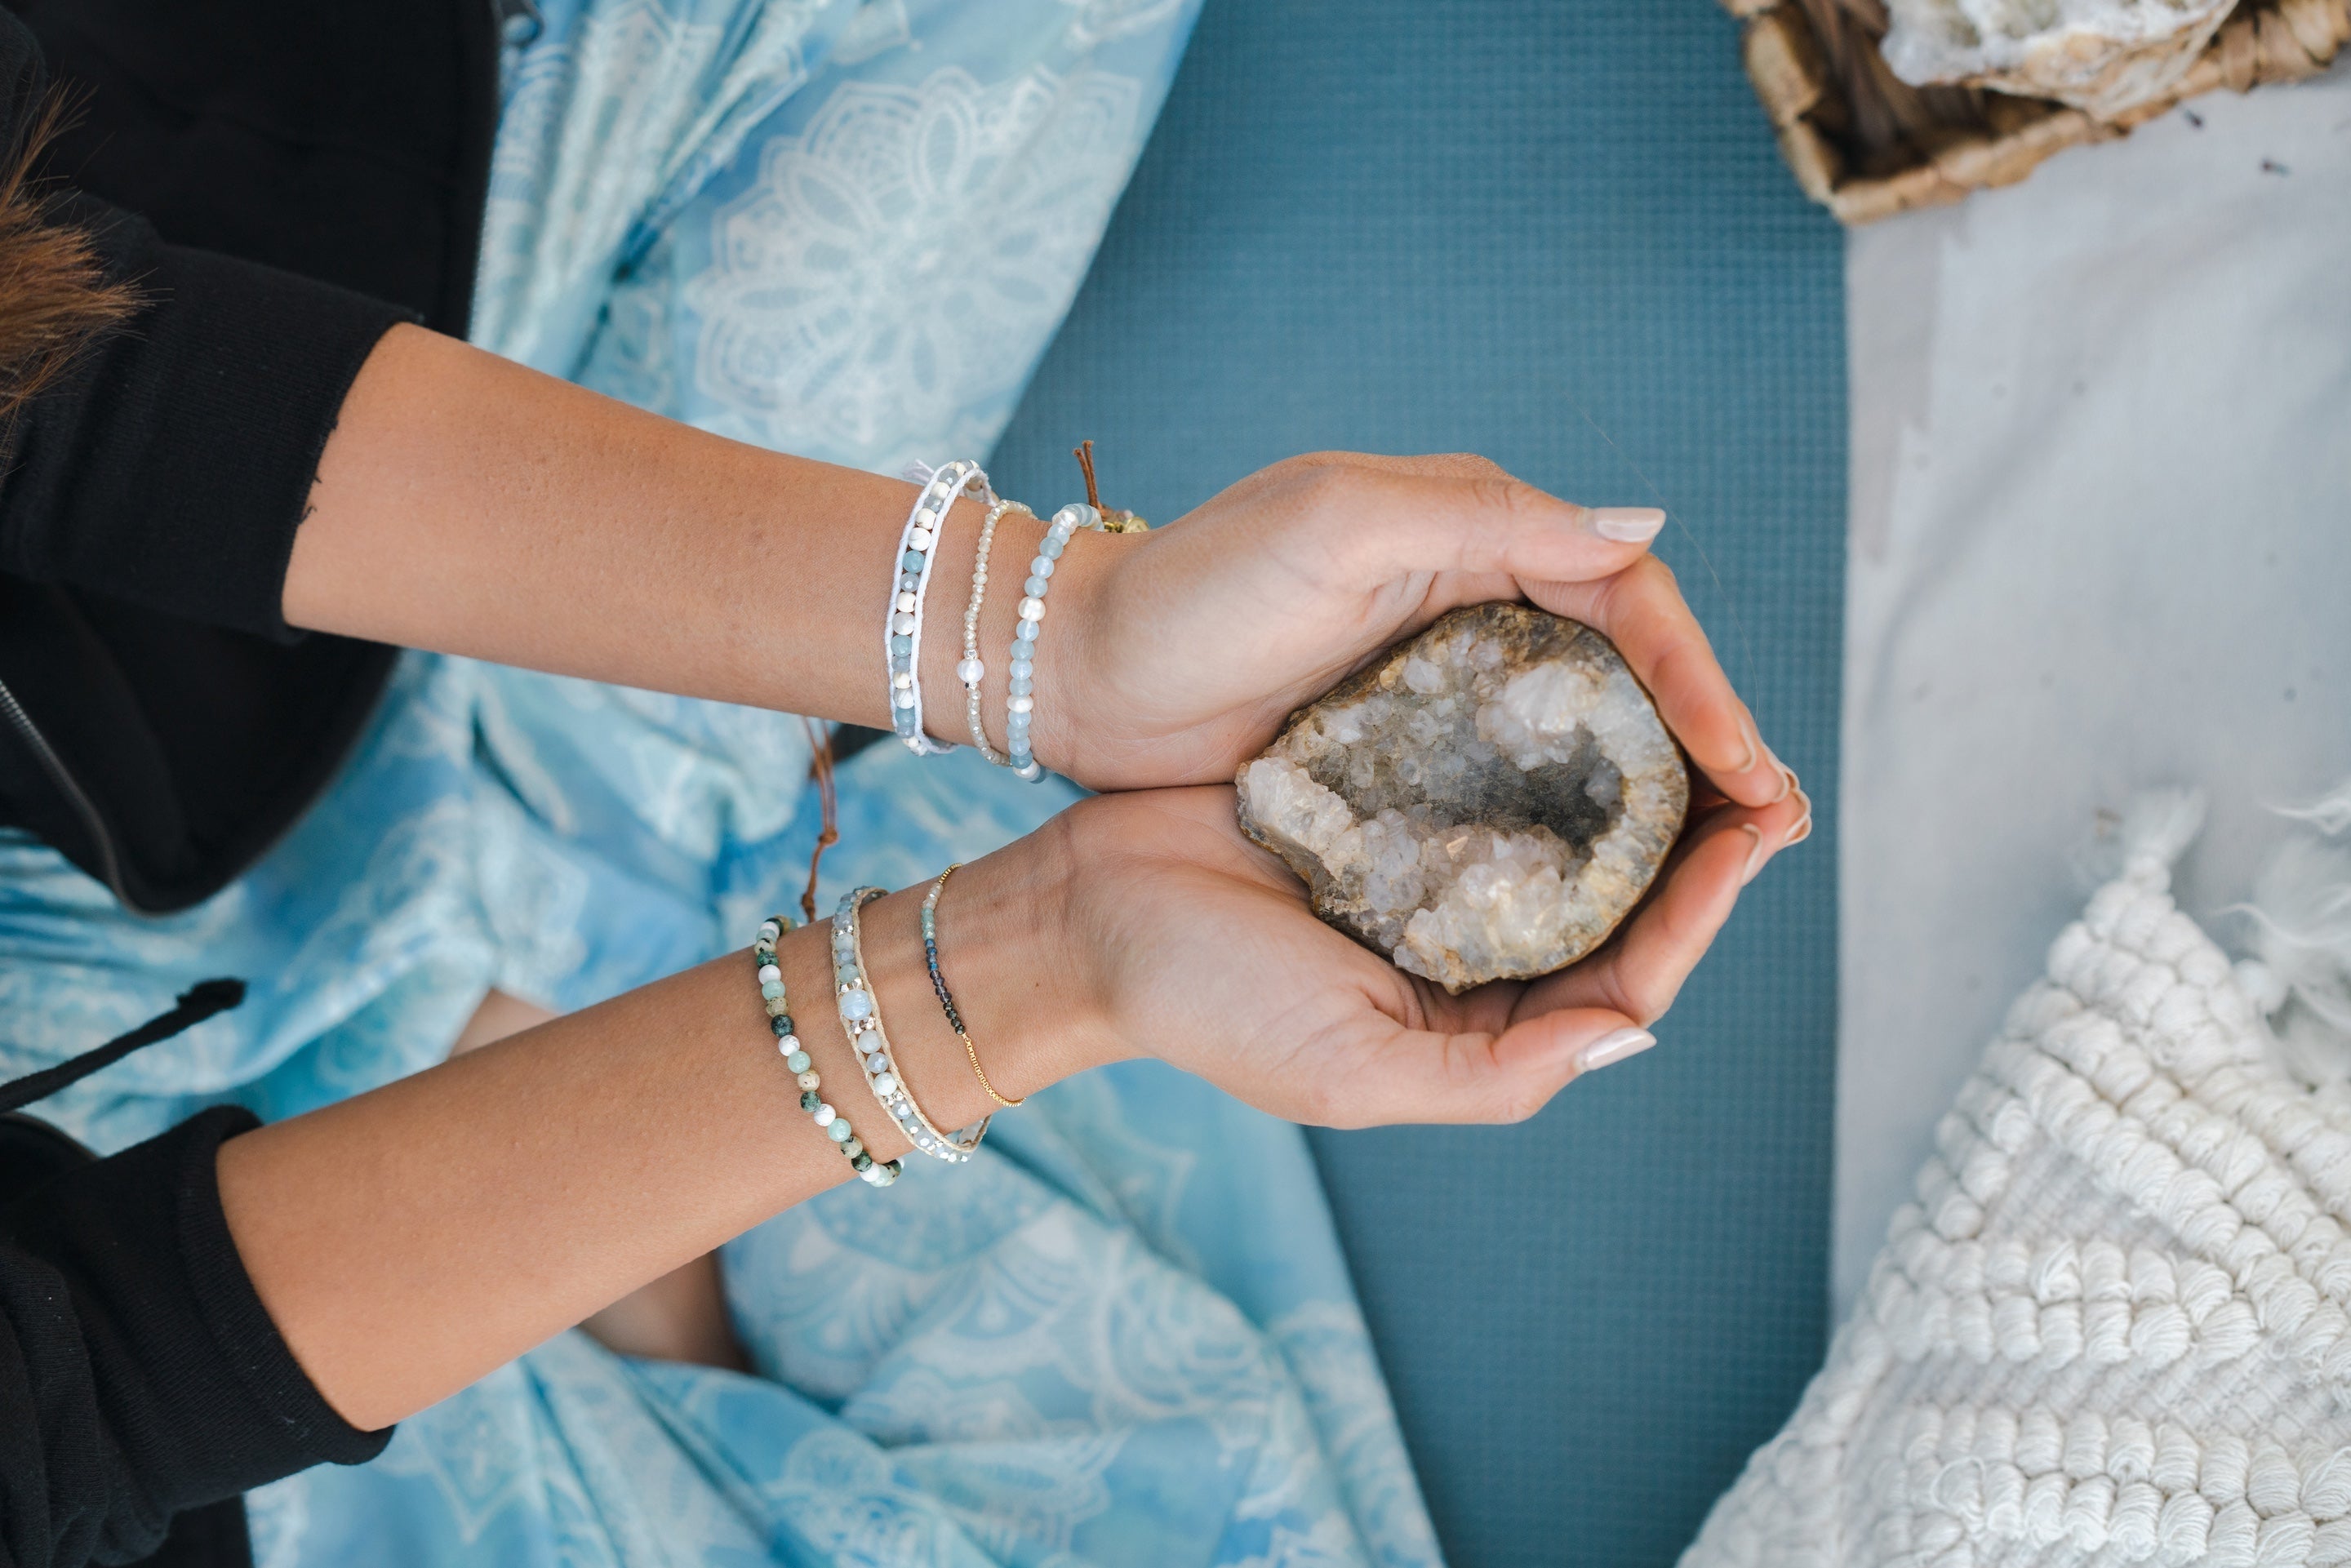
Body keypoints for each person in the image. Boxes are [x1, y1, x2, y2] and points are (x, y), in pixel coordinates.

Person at [0, 2, 1811, 1565]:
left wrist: (1051, 637)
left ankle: (523, 939)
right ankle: (512, 981)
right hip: (170, 1260)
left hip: (166, 560)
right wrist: (1040, 956)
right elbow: (90, 1382)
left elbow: (53, 376)